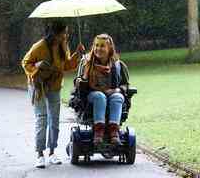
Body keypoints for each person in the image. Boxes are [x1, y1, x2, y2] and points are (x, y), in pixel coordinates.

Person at [22, 21, 84, 168]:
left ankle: (52, 152)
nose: (66, 35)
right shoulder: (39, 46)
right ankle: (39, 154)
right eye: (64, 33)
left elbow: (67, 65)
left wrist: (77, 54)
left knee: (54, 120)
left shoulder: (63, 46)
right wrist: (37, 66)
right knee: (42, 118)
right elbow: (25, 63)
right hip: (39, 87)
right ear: (56, 34)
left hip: (54, 86)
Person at [75, 34, 130, 146]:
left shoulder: (118, 64)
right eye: (96, 45)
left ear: (109, 48)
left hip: (112, 93)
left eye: (102, 46)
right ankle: (98, 133)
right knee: (100, 96)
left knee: (118, 97)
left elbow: (125, 84)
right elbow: (79, 84)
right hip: (91, 96)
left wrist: (118, 90)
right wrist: (83, 78)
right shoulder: (86, 62)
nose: (98, 48)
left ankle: (114, 131)